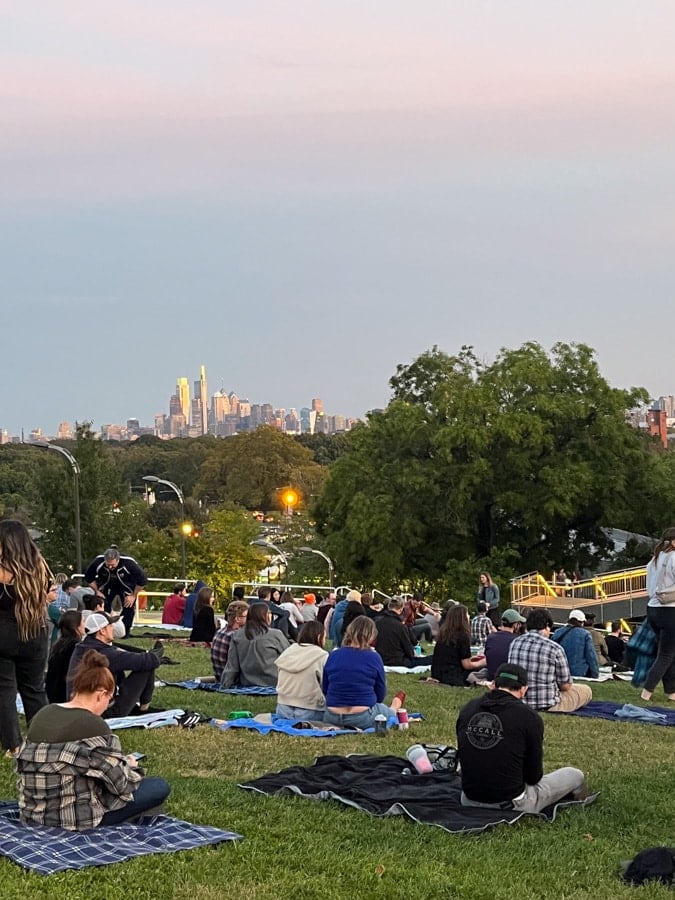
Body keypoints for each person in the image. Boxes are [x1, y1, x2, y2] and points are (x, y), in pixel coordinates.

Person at [17, 650, 170, 829]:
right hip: (75, 819)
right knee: (159, 786)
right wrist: (130, 766)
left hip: (32, 813)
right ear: (101, 694)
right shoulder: (94, 727)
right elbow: (121, 784)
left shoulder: (43, 714)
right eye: (110, 699)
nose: (107, 706)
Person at [456, 663, 588, 813]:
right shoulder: (528, 717)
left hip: (468, 799)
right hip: (512, 803)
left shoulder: (468, 708)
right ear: (524, 689)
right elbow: (533, 777)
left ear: (493, 684)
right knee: (575, 774)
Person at [0, 520, 51, 754]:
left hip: (4, 635)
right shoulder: (39, 567)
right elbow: (48, 596)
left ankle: (13, 745)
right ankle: (44, 740)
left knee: (5, 691)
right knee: (34, 690)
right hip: (35, 632)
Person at [68, 613, 163, 717]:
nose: (113, 628)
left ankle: (142, 707)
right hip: (103, 711)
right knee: (146, 665)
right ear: (102, 631)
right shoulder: (102, 653)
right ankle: (144, 708)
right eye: (110, 625)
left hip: (83, 707)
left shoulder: (85, 646)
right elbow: (148, 661)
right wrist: (156, 653)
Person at [322, 616, 405, 730]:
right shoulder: (374, 657)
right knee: (385, 711)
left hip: (332, 717)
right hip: (361, 717)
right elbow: (380, 693)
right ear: (371, 636)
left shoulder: (333, 655)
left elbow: (325, 688)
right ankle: (394, 707)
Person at [508, 608, 592, 712]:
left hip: (519, 699)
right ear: (547, 625)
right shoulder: (555, 648)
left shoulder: (515, 643)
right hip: (547, 703)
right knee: (586, 690)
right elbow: (565, 686)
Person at [641, 527, 675, 702]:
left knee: (668, 652)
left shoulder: (654, 560)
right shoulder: (674, 557)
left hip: (652, 608)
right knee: (666, 654)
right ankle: (647, 691)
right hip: (670, 609)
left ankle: (671, 691)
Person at [220, 603, 289, 688]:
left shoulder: (237, 635)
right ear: (265, 616)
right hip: (274, 682)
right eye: (269, 613)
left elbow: (232, 666)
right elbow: (290, 658)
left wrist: (225, 685)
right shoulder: (276, 634)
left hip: (247, 683)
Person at [84, 547, 148, 638]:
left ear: (118, 560)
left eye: (113, 565)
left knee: (128, 607)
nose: (110, 567)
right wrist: (97, 591)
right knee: (102, 605)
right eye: (108, 565)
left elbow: (142, 580)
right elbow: (88, 577)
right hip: (106, 584)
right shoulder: (98, 562)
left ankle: (125, 632)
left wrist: (133, 595)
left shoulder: (129, 563)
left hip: (126, 584)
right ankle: (101, 629)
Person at [275, 621, 328, 721]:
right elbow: (326, 686)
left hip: (282, 709)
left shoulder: (288, 652)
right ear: (319, 637)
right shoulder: (322, 656)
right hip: (311, 710)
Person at [431, 604, 488, 686]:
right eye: (467, 614)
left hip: (437, 673)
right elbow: (467, 665)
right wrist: (483, 662)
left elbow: (452, 656)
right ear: (462, 618)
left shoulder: (443, 633)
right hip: (453, 676)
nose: (468, 616)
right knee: (483, 670)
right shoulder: (463, 636)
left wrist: (471, 659)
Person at [374, 597, 433, 667]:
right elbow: (408, 650)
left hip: (380, 658)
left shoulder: (377, 622)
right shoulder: (401, 626)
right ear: (401, 609)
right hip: (397, 660)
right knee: (430, 659)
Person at [46, 610, 85, 703]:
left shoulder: (58, 645)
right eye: (83, 621)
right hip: (66, 695)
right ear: (76, 627)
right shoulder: (76, 647)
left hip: (52, 694)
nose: (85, 625)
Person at [551, 610, 599, 678]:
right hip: (579, 672)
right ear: (581, 622)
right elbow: (591, 656)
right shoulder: (585, 634)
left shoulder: (557, 632)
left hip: (560, 671)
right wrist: (595, 674)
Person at [210, 601, 249, 681]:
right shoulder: (237, 637)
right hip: (234, 680)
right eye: (247, 616)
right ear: (237, 619)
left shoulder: (219, 632)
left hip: (220, 676)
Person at [484, 608, 526, 680]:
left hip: (491, 677)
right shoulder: (517, 640)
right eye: (519, 623)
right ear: (515, 624)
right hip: (508, 678)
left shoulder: (491, 637)